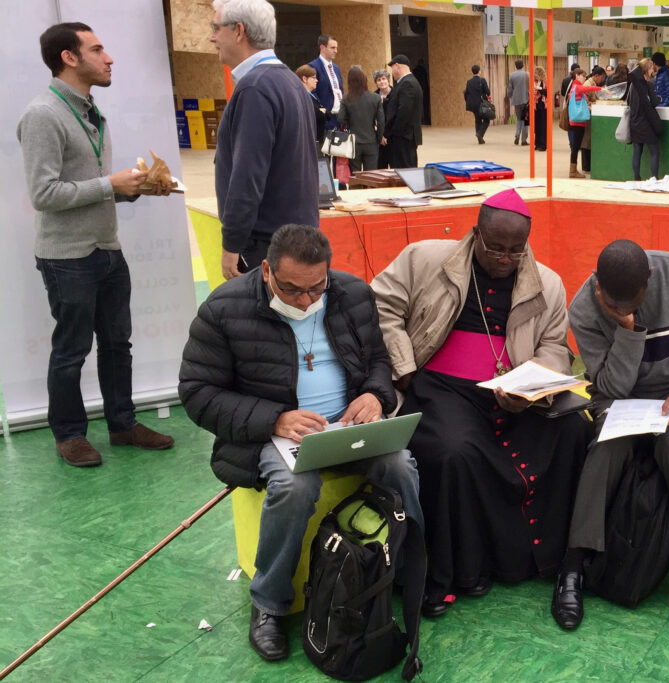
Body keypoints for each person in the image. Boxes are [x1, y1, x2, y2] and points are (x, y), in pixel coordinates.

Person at [179, 224, 422, 662]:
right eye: (292, 290)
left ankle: (404, 574)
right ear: (268, 270)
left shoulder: (351, 294)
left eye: (316, 288)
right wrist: (274, 418)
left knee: (400, 464)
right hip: (272, 434)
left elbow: (378, 361)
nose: (306, 300)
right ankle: (269, 604)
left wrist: (374, 394)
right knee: (296, 486)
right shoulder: (223, 309)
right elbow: (197, 393)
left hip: (347, 425)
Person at [371, 189, 589, 618]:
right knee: (455, 452)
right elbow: (382, 306)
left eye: (516, 250)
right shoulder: (424, 258)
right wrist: (405, 365)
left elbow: (554, 347)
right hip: (439, 386)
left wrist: (528, 390)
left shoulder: (548, 282)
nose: (505, 259)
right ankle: (461, 571)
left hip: (511, 392)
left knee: (574, 429)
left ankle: (554, 560)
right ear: (476, 233)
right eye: (495, 247)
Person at [16, 21, 175, 466]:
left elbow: (87, 188)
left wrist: (133, 189)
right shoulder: (43, 115)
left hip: (106, 249)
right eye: (98, 49)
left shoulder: (91, 111)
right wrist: (111, 184)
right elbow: (44, 195)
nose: (110, 58)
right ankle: (68, 434)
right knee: (71, 350)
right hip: (67, 258)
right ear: (69, 57)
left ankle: (123, 424)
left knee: (117, 344)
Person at [552, 240, 669, 630]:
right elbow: (611, 386)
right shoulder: (583, 308)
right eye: (613, 306)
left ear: (649, 277)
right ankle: (574, 562)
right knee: (604, 446)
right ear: (597, 285)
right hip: (618, 401)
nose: (623, 312)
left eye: (632, 304)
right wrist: (628, 332)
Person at [209, 0, 318, 280]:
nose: (211, 37)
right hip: (292, 240)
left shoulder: (255, 89)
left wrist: (232, 243)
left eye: (215, 28)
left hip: (265, 247)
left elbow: (248, 175)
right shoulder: (291, 83)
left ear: (239, 31)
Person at [338, 67, 385, 172]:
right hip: (371, 141)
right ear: (365, 80)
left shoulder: (346, 98)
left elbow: (341, 118)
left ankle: (356, 188)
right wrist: (378, 138)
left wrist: (349, 125)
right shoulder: (375, 98)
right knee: (371, 175)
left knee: (355, 175)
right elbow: (381, 122)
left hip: (354, 142)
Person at [383, 54, 423, 169]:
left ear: (397, 66)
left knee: (404, 171)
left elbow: (404, 112)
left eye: (392, 68)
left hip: (403, 137)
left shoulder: (407, 83)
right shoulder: (407, 82)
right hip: (405, 136)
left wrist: (393, 132)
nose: (392, 72)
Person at [625, 59, 662, 181]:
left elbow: (629, 101)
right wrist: (660, 98)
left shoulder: (632, 85)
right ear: (648, 69)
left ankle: (636, 178)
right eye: (652, 68)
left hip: (634, 122)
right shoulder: (648, 84)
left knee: (637, 152)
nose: (653, 70)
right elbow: (653, 102)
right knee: (654, 151)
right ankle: (654, 178)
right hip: (646, 123)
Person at [565, 67, 604, 179]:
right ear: (577, 75)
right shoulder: (577, 87)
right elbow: (587, 89)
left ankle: (573, 170)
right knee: (576, 147)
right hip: (578, 122)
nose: (584, 78)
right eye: (583, 76)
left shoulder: (574, 86)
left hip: (576, 120)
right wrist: (601, 90)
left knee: (576, 147)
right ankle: (572, 171)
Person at [307, 34, 343, 132]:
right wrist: (323, 113)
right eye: (332, 48)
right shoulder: (313, 67)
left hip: (339, 120)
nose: (336, 51)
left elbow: (340, 90)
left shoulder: (336, 68)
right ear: (322, 48)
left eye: (336, 48)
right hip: (324, 121)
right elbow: (311, 93)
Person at [579, 66, 607, 174]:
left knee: (588, 140)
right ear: (596, 76)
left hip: (590, 113)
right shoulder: (588, 84)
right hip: (587, 114)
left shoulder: (593, 84)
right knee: (586, 140)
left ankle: (588, 166)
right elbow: (584, 100)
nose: (602, 79)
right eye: (602, 77)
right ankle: (586, 167)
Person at [295, 64, 327, 148]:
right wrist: (322, 112)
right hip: (308, 142)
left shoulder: (312, 95)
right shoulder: (302, 96)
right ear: (305, 79)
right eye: (314, 77)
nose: (316, 80)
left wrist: (323, 113)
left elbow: (326, 115)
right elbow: (319, 115)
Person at [463, 64, 491, 144]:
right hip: (481, 104)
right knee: (487, 119)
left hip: (473, 104)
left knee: (477, 120)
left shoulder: (469, 82)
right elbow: (488, 92)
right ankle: (480, 134)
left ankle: (480, 139)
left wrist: (468, 101)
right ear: (479, 71)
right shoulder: (482, 80)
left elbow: (466, 93)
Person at [508, 59, 530, 146]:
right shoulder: (527, 74)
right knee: (525, 119)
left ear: (515, 66)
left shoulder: (512, 75)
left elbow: (510, 89)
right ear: (523, 65)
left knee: (519, 118)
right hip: (526, 99)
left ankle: (517, 134)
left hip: (516, 100)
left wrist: (510, 96)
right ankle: (523, 140)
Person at [373, 69, 392, 168]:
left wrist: (387, 135)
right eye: (379, 80)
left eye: (384, 79)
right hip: (378, 138)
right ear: (376, 83)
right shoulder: (373, 96)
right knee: (380, 167)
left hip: (392, 137)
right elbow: (372, 118)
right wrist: (380, 136)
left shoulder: (396, 94)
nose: (382, 81)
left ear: (388, 80)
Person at [533, 66, 548, 152]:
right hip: (536, 105)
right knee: (537, 126)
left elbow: (547, 92)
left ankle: (543, 144)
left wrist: (540, 89)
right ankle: (537, 143)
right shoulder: (534, 82)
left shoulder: (545, 81)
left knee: (543, 126)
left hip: (543, 105)